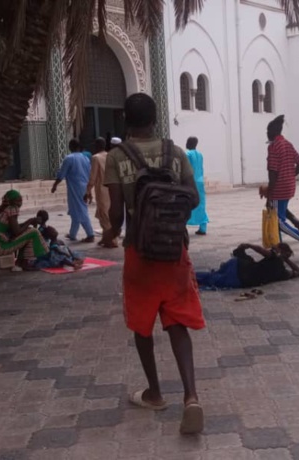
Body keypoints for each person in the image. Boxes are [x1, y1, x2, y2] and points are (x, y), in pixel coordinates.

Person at [100, 93, 205, 435]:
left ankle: (155, 393)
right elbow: (193, 197)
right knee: (177, 324)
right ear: (156, 118)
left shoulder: (117, 157)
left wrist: (111, 231)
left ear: (126, 120)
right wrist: (170, 220)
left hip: (139, 255)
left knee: (142, 325)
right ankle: (191, 397)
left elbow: (116, 212)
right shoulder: (175, 153)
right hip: (175, 253)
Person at [264, 115, 299, 258]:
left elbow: (272, 172)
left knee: (277, 221)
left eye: (268, 131)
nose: (267, 134)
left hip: (278, 190)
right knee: (280, 214)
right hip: (289, 187)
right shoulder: (288, 144)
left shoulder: (273, 147)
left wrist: (269, 193)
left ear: (273, 132)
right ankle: (277, 247)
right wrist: (290, 176)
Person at [0, 190, 48, 270]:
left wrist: (28, 223)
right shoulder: (12, 209)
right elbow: (17, 232)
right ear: (12, 201)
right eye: (18, 201)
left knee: (28, 230)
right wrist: (30, 221)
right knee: (33, 232)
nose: (20, 203)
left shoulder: (1, 210)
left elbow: (14, 228)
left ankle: (21, 261)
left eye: (21, 200)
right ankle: (26, 263)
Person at [197, 243, 299, 290]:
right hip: (241, 279)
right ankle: (187, 277)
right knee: (210, 279)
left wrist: (249, 245)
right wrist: (286, 259)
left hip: (238, 265)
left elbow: (261, 250)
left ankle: (186, 276)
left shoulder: (274, 257)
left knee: (211, 276)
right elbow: (298, 272)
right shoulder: (283, 273)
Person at [52, 139, 95, 243]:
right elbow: (90, 174)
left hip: (75, 188)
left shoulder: (69, 158)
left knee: (80, 210)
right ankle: (72, 234)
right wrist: (89, 190)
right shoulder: (86, 158)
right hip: (84, 186)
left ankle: (90, 234)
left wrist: (55, 185)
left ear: (71, 147)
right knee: (75, 210)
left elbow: (62, 173)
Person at [85, 138, 112, 240]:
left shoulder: (95, 158)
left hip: (102, 190)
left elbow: (92, 178)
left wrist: (87, 191)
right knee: (108, 214)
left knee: (104, 215)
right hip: (112, 189)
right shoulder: (110, 156)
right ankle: (106, 238)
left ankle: (111, 239)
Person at [185, 137, 209, 235]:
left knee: (186, 203)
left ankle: (183, 225)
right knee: (201, 203)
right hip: (200, 181)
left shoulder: (187, 154)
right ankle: (203, 228)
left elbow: (186, 169)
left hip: (190, 181)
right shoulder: (200, 155)